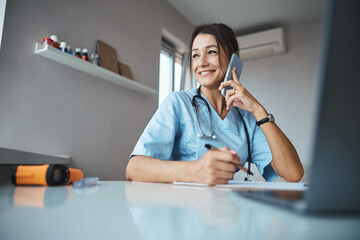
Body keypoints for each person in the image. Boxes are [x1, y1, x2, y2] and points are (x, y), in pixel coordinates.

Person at [126, 23, 304, 185]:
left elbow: (293, 173)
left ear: (234, 59)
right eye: (195, 55)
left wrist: (258, 110)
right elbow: (134, 169)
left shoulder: (247, 118)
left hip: (226, 211)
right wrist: (196, 171)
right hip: (180, 209)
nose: (201, 62)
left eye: (211, 52)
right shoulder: (178, 102)